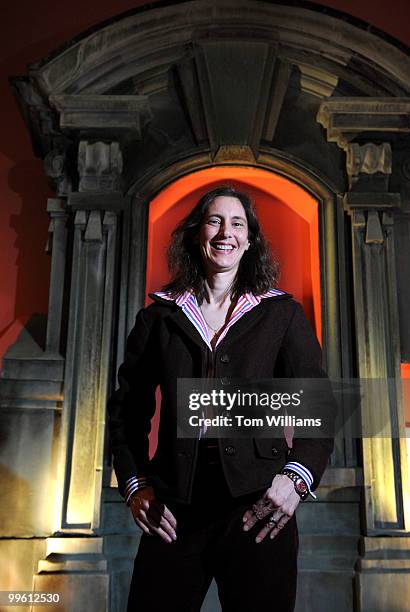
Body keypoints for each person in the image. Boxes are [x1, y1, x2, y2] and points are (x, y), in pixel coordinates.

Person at [107, 185, 335, 612]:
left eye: (237, 223)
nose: (225, 231)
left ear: (249, 241)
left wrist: (296, 479)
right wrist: (135, 484)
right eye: (214, 220)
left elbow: (317, 405)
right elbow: (128, 408)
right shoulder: (158, 316)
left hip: (261, 502)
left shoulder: (281, 313)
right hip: (174, 507)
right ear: (197, 233)